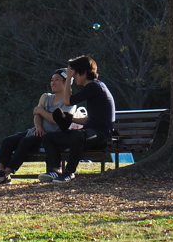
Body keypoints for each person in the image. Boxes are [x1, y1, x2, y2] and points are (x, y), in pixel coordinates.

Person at [0, 68, 74, 186]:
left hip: (51, 136)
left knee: (26, 142)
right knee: (8, 141)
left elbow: (56, 120)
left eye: (57, 80)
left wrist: (41, 111)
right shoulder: (46, 97)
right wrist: (38, 127)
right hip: (37, 131)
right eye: (52, 80)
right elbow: (36, 115)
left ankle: (6, 173)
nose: (53, 83)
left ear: (66, 83)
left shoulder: (69, 102)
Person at [38, 55, 116, 183]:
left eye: (75, 74)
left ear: (84, 73)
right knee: (49, 137)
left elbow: (68, 101)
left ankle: (69, 173)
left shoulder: (95, 86)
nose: (73, 77)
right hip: (91, 132)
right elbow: (91, 120)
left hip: (101, 135)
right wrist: (70, 120)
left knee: (78, 135)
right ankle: (54, 170)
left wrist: (67, 78)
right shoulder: (93, 88)